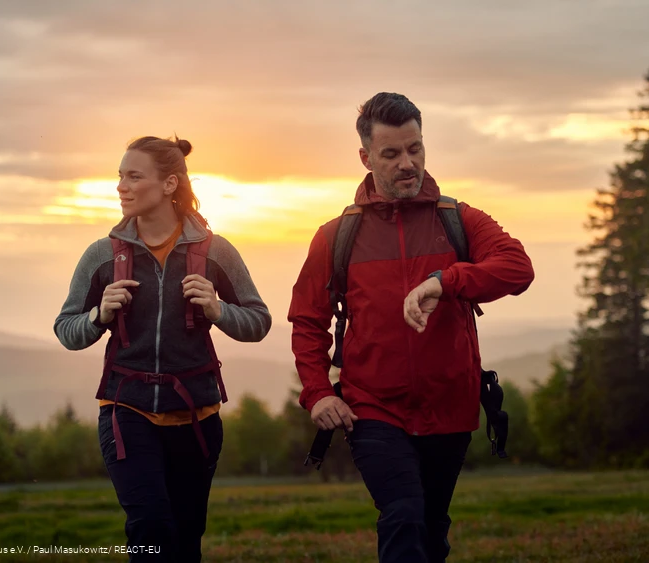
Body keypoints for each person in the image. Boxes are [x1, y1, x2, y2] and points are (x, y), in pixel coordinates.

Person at [287, 92, 535, 563]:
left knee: (431, 528)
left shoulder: (458, 219)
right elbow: (308, 321)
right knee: (402, 515)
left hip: (451, 406)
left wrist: (447, 281)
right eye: (392, 153)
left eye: (415, 148)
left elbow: (517, 268)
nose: (407, 163)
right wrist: (318, 392)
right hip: (373, 408)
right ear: (365, 158)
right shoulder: (336, 236)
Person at [53, 134, 272, 562]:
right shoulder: (102, 255)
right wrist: (98, 316)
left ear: (170, 184)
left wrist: (218, 309)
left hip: (197, 416)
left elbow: (259, 322)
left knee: (186, 537)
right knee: (150, 530)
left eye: (134, 176)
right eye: (120, 176)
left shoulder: (216, 252)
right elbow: (66, 329)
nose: (122, 186)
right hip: (125, 410)